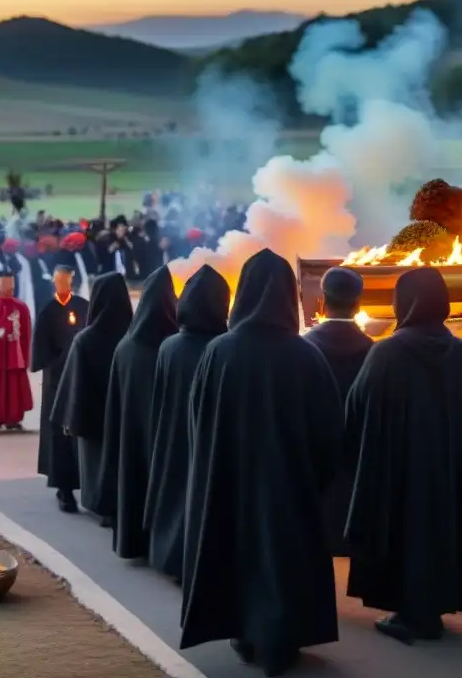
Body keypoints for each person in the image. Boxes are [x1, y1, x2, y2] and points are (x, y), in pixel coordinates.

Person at [181, 249, 343, 677]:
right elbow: (330, 434)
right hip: (290, 487)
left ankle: (243, 632)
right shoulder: (307, 356)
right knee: (284, 560)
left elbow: (197, 424)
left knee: (236, 555)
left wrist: (214, 470)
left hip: (229, 482)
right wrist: (313, 480)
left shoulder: (219, 353)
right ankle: (281, 639)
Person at [344, 267, 462, 643]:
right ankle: (433, 608)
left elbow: (358, 407)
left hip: (399, 469)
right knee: (442, 532)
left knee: (403, 535)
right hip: (449, 469)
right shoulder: (460, 354)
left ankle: (410, 613)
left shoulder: (387, 353)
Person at [144, 265, 229, 580]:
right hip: (211, 438)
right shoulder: (223, 346)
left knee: (176, 490)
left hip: (174, 432)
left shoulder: (169, 346)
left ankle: (172, 557)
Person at [103, 265, 179, 558]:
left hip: (134, 436)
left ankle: (133, 540)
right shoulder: (174, 346)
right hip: (166, 437)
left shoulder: (126, 347)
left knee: (134, 480)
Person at [302, 266, 373, 557]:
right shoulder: (373, 350)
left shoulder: (305, 347)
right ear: (358, 304)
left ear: (323, 301)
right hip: (357, 458)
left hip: (316, 457)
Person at [51, 272, 132, 520]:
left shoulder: (85, 339)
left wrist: (70, 419)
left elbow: (73, 387)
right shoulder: (133, 336)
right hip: (123, 416)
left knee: (93, 462)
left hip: (92, 413)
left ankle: (96, 502)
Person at [31, 264, 88, 512]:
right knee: (59, 435)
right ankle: (63, 488)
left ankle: (87, 483)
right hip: (57, 380)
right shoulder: (48, 310)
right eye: (59, 280)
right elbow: (41, 349)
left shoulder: (84, 306)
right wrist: (61, 359)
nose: (63, 284)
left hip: (82, 377)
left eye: (67, 280)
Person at [0, 269, 33, 430]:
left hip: (15, 352)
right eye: (5, 285)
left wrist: (24, 352)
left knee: (14, 384)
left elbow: (27, 331)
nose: (8, 289)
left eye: (10, 285)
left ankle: (15, 418)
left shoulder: (21, 307)